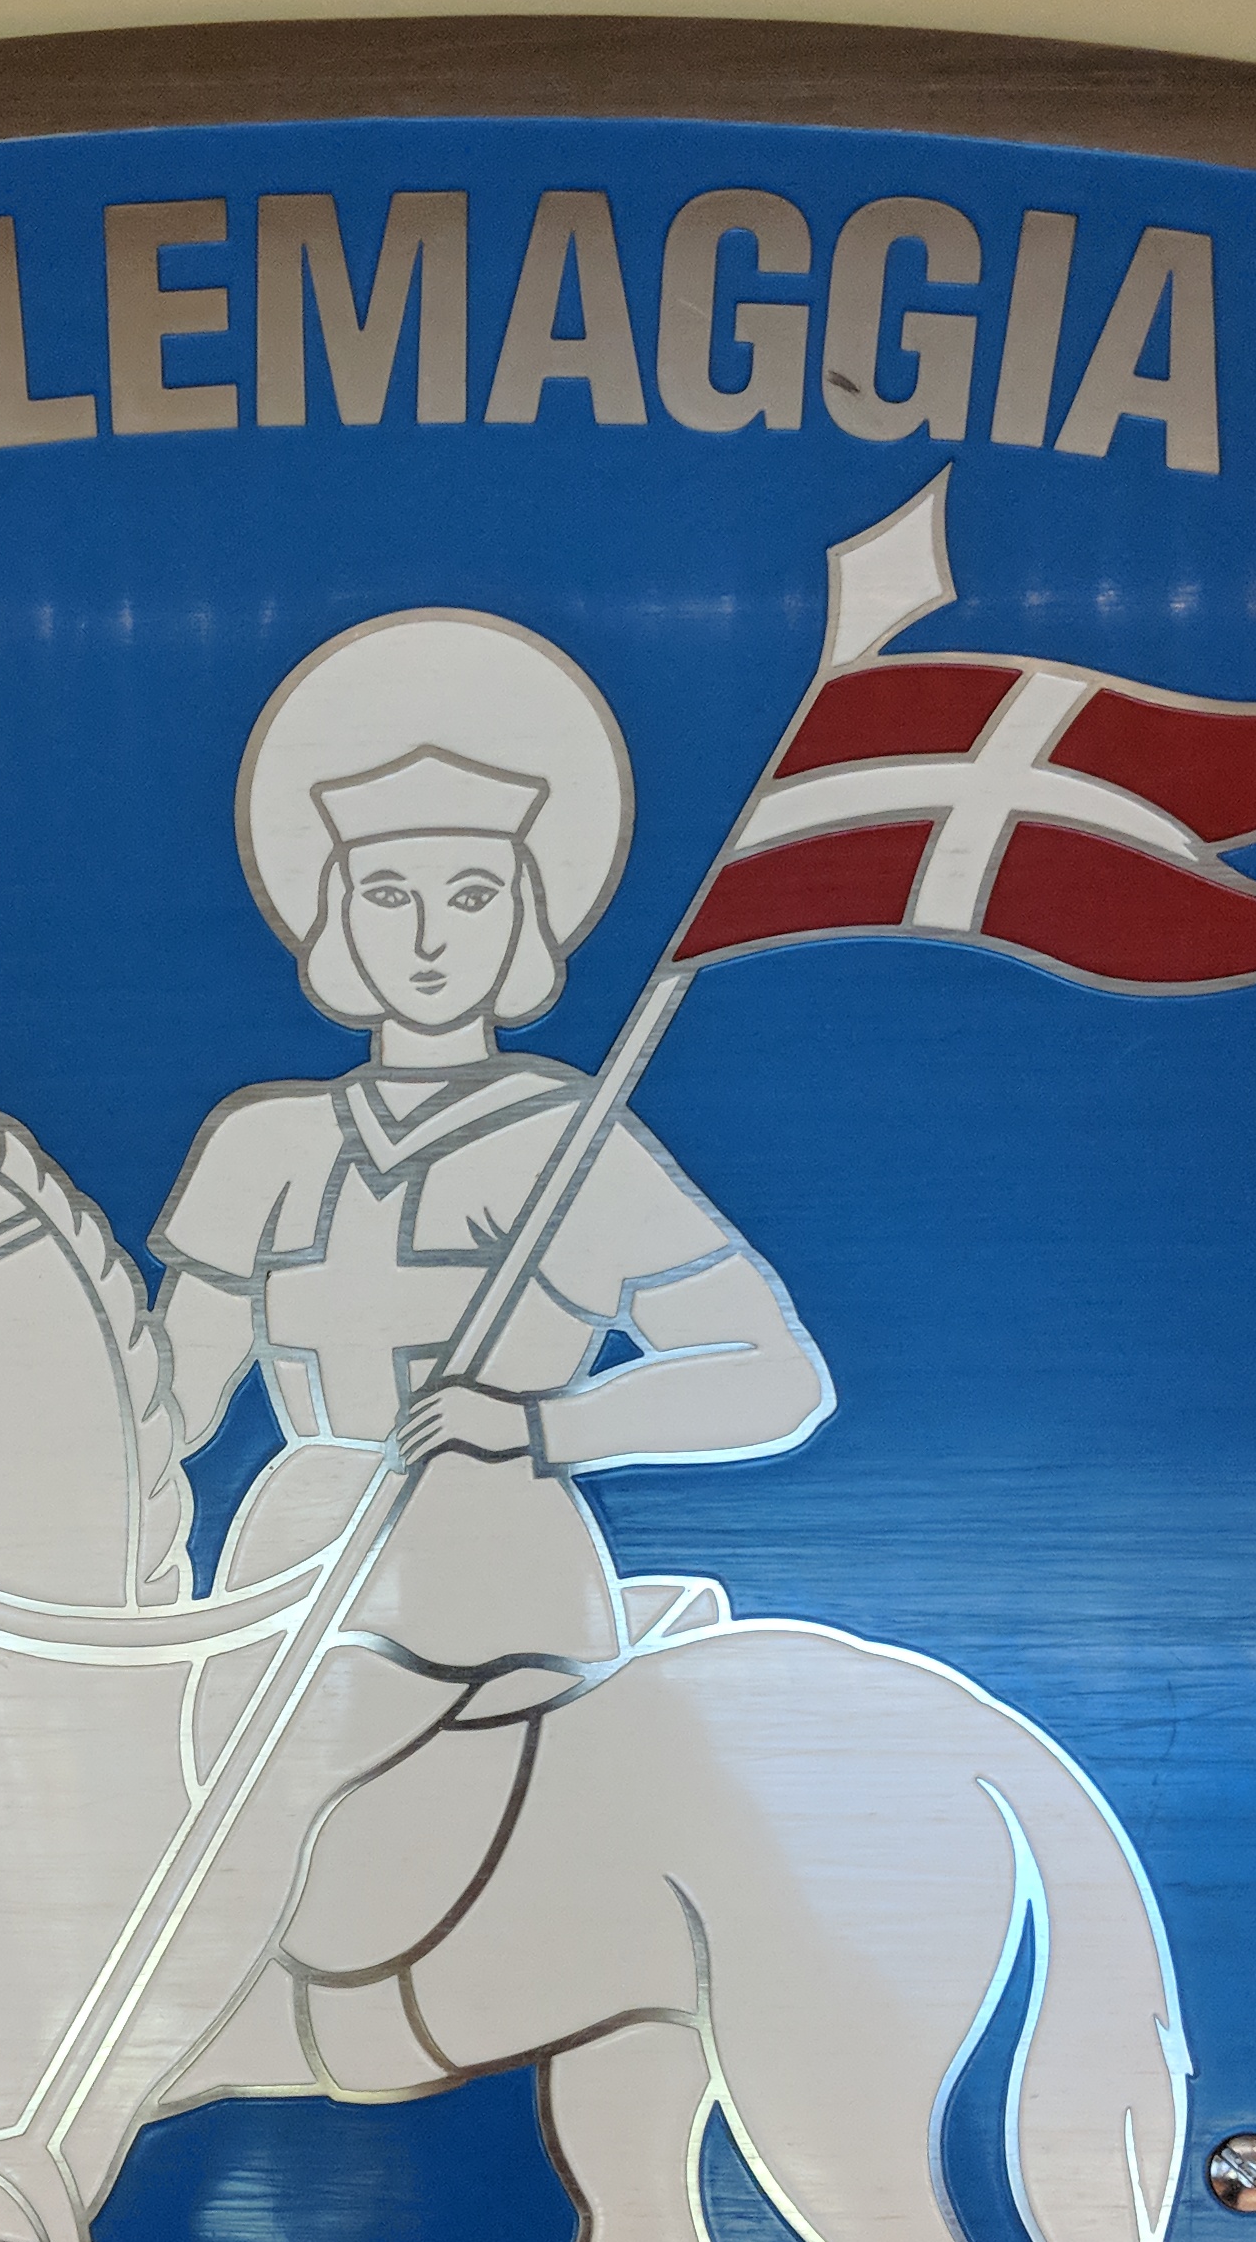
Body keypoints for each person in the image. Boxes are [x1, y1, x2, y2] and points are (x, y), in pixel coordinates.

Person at [153, 609, 832, 1721]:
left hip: (509, 1601)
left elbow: (775, 1377)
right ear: (335, 913)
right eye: (388, 894)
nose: (429, 941)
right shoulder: (262, 1144)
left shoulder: (569, 1141)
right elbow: (173, 1407)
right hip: (289, 1577)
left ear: (527, 914)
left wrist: (542, 1428)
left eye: (471, 895)